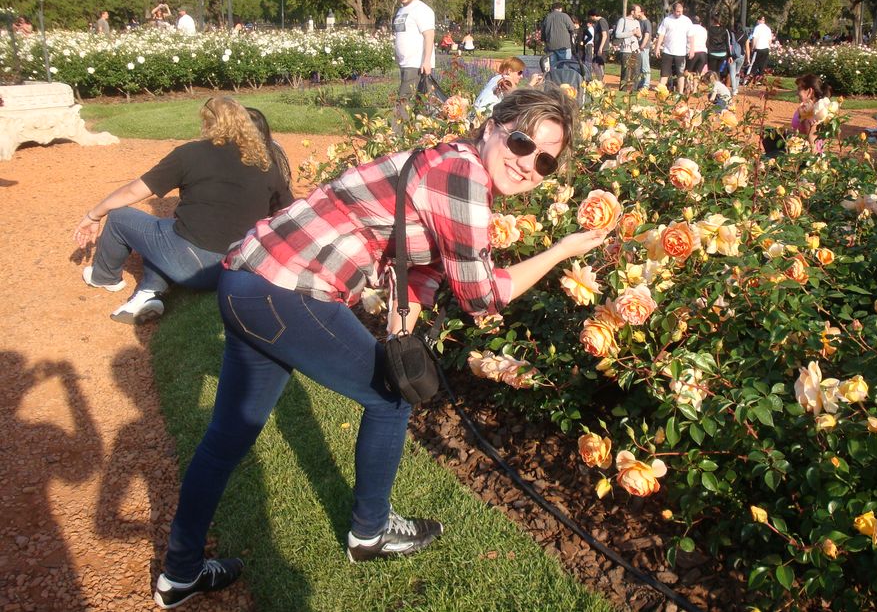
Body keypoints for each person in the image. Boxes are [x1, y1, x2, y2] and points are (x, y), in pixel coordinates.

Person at [152, 87, 608, 608]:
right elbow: (482, 297)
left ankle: (180, 572)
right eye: (523, 143)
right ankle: (369, 533)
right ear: (492, 128)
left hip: (248, 281)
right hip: (285, 290)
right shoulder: (464, 177)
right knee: (390, 398)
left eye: (546, 160)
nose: (529, 164)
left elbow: (414, 262)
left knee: (229, 436)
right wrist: (561, 251)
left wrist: (403, 321)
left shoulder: (443, 159)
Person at [74, 97, 293, 325]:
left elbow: (132, 192)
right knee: (166, 233)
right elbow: (286, 212)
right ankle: (149, 292)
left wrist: (93, 214)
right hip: (238, 267)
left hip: (194, 265)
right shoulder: (265, 160)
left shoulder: (189, 154)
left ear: (208, 122)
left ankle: (104, 277)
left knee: (121, 217)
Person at [392, 0, 435, 132]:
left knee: (403, 102)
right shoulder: (401, 10)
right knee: (420, 104)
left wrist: (427, 61)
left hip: (417, 64)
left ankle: (396, 138)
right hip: (405, 63)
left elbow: (429, 35)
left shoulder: (421, 10)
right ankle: (421, 136)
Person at [473, 57, 543, 113]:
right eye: (519, 72)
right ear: (509, 71)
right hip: (483, 115)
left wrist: (535, 86)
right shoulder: (506, 79)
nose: (521, 76)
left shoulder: (496, 78)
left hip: (476, 113)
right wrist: (531, 84)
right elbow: (519, 98)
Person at [654, 1, 693, 94]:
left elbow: (691, 36)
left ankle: (680, 94)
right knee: (664, 73)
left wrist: (692, 49)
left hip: (681, 52)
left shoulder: (687, 21)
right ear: (673, 11)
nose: (679, 13)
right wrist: (657, 47)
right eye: (678, 11)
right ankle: (660, 92)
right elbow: (661, 35)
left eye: (681, 11)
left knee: (681, 75)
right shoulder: (667, 20)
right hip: (668, 51)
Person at [790, 73, 834, 150]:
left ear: (810, 91)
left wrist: (806, 118)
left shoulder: (816, 113)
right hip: (798, 152)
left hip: (807, 157)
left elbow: (813, 143)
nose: (797, 93)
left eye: (799, 89)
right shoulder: (806, 109)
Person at [614, 4, 642, 92]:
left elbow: (640, 36)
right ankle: (622, 92)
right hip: (626, 50)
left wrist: (638, 35)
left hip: (635, 49)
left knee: (636, 72)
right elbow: (617, 34)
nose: (640, 14)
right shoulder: (623, 20)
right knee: (625, 73)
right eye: (638, 12)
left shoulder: (637, 22)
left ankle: (633, 92)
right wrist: (631, 33)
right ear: (632, 12)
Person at [540, 3, 576, 69]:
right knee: (565, 66)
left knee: (553, 67)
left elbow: (543, 33)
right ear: (560, 8)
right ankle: (563, 79)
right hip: (564, 45)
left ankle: (554, 79)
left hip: (551, 46)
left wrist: (545, 43)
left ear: (552, 9)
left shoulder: (547, 17)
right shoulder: (564, 16)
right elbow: (572, 28)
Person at [686, 15, 708, 94]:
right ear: (700, 23)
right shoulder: (704, 30)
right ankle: (695, 89)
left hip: (693, 51)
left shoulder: (690, 28)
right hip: (703, 52)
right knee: (698, 72)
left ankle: (688, 87)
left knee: (688, 72)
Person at [748, 15, 773, 82]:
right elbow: (770, 40)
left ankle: (750, 77)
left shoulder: (757, 28)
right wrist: (769, 47)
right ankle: (760, 78)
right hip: (766, 48)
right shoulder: (768, 29)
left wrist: (752, 47)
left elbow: (754, 38)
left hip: (758, 48)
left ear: (758, 20)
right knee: (763, 64)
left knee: (755, 63)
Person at [587, 9, 609, 81]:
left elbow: (604, 35)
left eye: (590, 17)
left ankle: (600, 80)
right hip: (598, 47)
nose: (590, 19)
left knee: (597, 64)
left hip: (602, 47)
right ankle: (600, 80)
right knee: (597, 64)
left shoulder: (602, 21)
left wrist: (600, 48)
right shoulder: (597, 22)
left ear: (593, 16)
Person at [636, 7, 653, 90]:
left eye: (639, 12)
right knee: (640, 67)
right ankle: (641, 83)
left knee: (645, 67)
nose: (637, 14)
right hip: (639, 47)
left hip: (644, 48)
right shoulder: (639, 22)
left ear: (642, 13)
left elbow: (647, 35)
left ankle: (646, 85)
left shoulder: (646, 22)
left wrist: (642, 45)